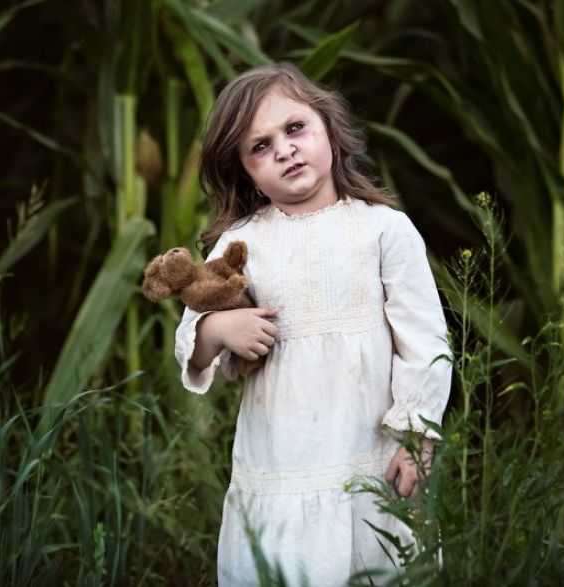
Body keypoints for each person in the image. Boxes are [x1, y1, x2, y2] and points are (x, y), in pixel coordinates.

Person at [174, 62, 452, 586]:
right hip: (281, 457)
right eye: (260, 146)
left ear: (327, 126)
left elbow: (424, 343)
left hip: (370, 451)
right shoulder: (242, 244)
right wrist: (218, 331)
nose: (283, 149)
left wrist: (416, 438)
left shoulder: (383, 230)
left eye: (294, 128)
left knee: (374, 565)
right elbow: (192, 336)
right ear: (244, 171)